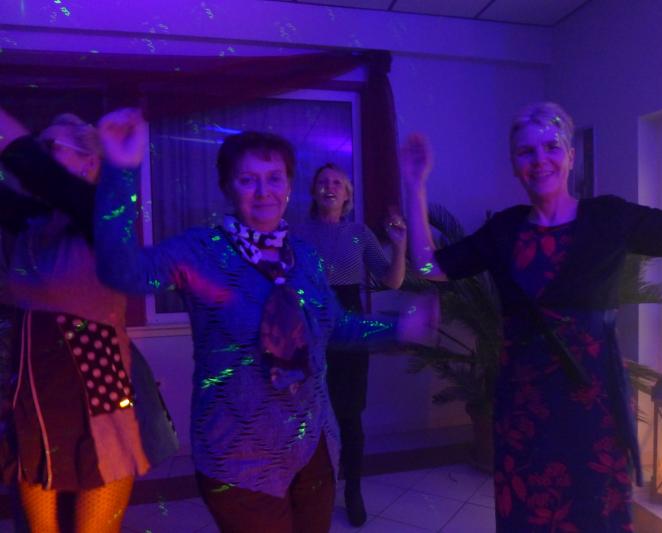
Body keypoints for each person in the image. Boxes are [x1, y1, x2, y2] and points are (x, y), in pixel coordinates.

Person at [401, 57, 662, 531]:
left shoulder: (609, 218)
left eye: (551, 147)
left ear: (569, 156)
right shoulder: (503, 230)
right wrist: (415, 186)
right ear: (515, 165)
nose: (539, 159)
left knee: (594, 517)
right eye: (526, 152)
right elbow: (429, 267)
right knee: (527, 518)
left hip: (593, 408)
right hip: (523, 409)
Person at [92, 109, 428, 533]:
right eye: (248, 179)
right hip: (237, 454)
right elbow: (121, 270)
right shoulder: (202, 250)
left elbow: (337, 325)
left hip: (312, 446)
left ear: (288, 186)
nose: (264, 191)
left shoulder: (304, 255)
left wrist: (398, 329)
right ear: (227, 187)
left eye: (274, 178)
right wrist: (121, 171)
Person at [0, 109, 177, 533]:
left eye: (51, 147)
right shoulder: (31, 221)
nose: (41, 155)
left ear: (89, 163)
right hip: (35, 403)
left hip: (95, 400)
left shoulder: (98, 215)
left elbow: (37, 170)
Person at [294, 163, 406, 526]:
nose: (330, 187)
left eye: (337, 183)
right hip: (308, 324)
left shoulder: (359, 233)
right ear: (313, 191)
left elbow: (391, 280)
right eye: (323, 181)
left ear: (347, 195)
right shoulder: (296, 233)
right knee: (306, 414)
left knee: (349, 413)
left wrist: (400, 246)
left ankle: (353, 490)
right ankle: (311, 490)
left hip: (350, 324)